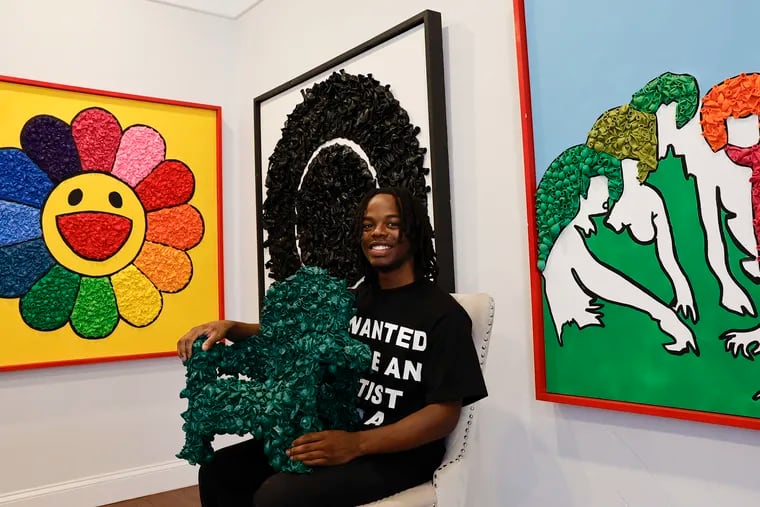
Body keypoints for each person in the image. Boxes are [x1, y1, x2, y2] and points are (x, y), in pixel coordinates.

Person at [176, 186, 488, 507]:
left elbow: (443, 415)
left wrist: (356, 445)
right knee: (220, 469)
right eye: (368, 225)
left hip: (396, 455)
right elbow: (298, 338)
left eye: (391, 223)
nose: (377, 232)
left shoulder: (444, 316)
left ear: (414, 231)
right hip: (334, 429)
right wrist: (233, 328)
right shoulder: (356, 299)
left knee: (277, 496)